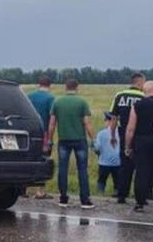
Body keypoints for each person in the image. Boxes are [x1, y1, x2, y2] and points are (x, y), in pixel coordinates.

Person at [45, 79, 95, 209]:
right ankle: (84, 200)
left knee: (63, 169)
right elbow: (87, 123)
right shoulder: (82, 102)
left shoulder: (58, 102)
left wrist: (50, 139)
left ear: (65, 88)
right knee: (82, 170)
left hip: (63, 140)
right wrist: (93, 138)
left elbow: (51, 124)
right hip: (79, 139)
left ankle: (63, 198)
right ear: (77, 88)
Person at [124, 80, 153, 213]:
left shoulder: (137, 105)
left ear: (144, 91)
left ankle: (140, 203)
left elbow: (130, 128)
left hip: (141, 140)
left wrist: (128, 146)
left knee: (141, 172)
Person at [109, 72, 145, 204]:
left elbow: (113, 118)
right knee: (141, 165)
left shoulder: (119, 95)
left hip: (123, 132)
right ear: (140, 82)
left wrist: (112, 136)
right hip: (140, 134)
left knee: (125, 165)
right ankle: (141, 196)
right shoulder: (144, 96)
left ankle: (122, 194)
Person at [27, 77, 56, 199]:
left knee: (27, 160)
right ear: (50, 85)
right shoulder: (51, 98)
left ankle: (24, 189)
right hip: (43, 133)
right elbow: (52, 119)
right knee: (43, 160)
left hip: (28, 132)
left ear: (38, 84)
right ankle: (40, 191)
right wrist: (50, 138)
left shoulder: (29, 96)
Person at [91, 112, 120, 194]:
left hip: (104, 162)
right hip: (118, 163)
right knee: (117, 182)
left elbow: (97, 148)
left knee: (101, 180)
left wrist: (92, 146)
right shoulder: (121, 133)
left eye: (105, 120)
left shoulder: (101, 133)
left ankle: (100, 195)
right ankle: (117, 194)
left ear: (109, 121)